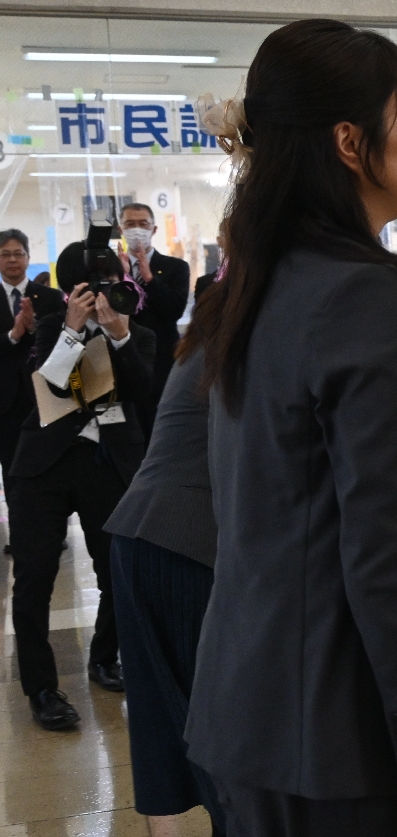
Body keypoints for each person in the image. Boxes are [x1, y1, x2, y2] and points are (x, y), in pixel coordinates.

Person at [183, 19, 397, 837]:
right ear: (351, 142)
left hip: (241, 709)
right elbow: (389, 550)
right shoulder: (368, 297)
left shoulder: (253, 283)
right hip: (334, 733)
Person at [7, 247, 156, 730]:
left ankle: (104, 657)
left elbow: (142, 392)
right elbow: (52, 386)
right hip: (43, 466)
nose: (102, 298)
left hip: (106, 462)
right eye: (92, 288)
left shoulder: (139, 336)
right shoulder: (52, 326)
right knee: (34, 579)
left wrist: (120, 337)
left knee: (117, 571)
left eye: (113, 284)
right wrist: (72, 328)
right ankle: (42, 688)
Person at [104, 330, 226, 835]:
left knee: (157, 712)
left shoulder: (209, 336)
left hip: (136, 532)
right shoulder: (248, 340)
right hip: (188, 542)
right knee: (224, 722)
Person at [0, 230, 67, 555]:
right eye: (5, 254)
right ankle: (20, 535)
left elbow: (61, 342)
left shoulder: (50, 297)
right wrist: (14, 334)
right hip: (6, 402)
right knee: (13, 469)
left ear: (28, 256)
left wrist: (36, 327)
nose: (12, 260)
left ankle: (55, 530)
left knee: (50, 465)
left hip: (44, 395)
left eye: (18, 253)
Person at [118, 202, 190, 438]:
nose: (136, 229)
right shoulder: (112, 269)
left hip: (161, 361)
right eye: (130, 224)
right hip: (123, 360)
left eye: (142, 224)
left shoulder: (175, 267)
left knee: (160, 430)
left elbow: (174, 310)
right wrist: (123, 277)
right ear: (121, 229)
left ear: (154, 229)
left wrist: (149, 278)